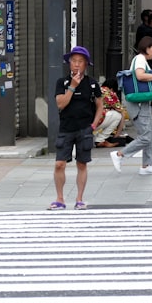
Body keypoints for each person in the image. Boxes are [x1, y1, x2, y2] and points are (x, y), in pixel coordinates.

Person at [50, 45, 103, 211]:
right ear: (69, 63)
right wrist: (72, 86)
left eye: (80, 61)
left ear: (86, 64)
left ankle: (79, 198)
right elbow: (60, 104)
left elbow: (100, 106)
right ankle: (60, 198)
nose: (77, 65)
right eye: (74, 61)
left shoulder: (93, 84)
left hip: (84, 129)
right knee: (59, 164)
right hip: (66, 128)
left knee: (82, 164)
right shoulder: (62, 82)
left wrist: (94, 125)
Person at [112, 37, 152, 176]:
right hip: (139, 105)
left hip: (142, 105)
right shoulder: (140, 59)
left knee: (151, 135)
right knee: (146, 136)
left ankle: (147, 166)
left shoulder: (140, 59)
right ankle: (119, 154)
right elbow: (140, 76)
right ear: (147, 48)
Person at [93, 77, 125, 147]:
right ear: (112, 88)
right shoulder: (110, 94)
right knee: (117, 115)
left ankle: (94, 137)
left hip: (84, 121)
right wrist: (117, 134)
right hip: (95, 122)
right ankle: (100, 140)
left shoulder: (97, 89)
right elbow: (122, 112)